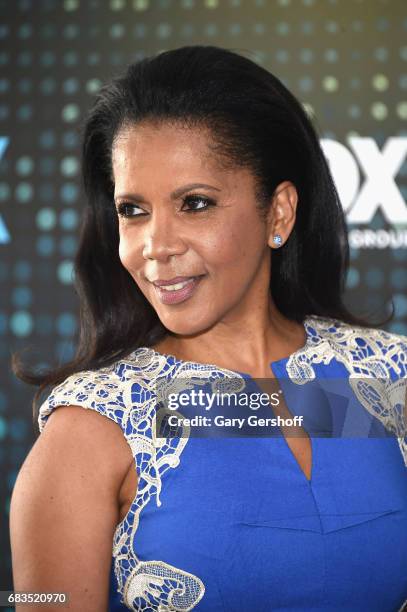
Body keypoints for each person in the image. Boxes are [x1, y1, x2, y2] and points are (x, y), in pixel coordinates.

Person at [9, 45, 407, 612]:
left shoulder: (385, 377)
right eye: (133, 210)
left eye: (195, 203)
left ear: (279, 212)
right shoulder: (90, 433)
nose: (157, 246)